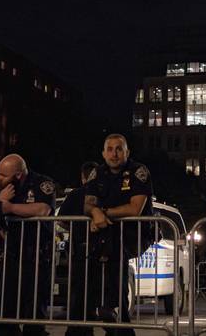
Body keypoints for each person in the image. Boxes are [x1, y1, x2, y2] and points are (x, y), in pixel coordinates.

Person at [83, 134, 154, 336]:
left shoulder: (138, 171)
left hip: (133, 234)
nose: (114, 154)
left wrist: (102, 213)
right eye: (110, 149)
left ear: (127, 152)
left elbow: (134, 209)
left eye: (119, 149)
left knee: (114, 252)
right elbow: (88, 204)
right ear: (103, 153)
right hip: (107, 234)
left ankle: (111, 309)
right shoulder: (97, 172)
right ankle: (109, 314)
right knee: (88, 258)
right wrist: (95, 213)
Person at [0, 154, 56, 336]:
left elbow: (42, 209)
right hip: (10, 253)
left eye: (3, 175)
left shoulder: (42, 183)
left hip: (36, 255)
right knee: (4, 310)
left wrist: (9, 208)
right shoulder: (2, 188)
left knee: (34, 314)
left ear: (19, 175)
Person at [60, 161, 100, 336]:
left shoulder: (76, 194)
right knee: (95, 295)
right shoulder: (105, 192)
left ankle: (77, 329)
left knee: (78, 295)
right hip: (101, 251)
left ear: (83, 177)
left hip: (80, 251)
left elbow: (61, 220)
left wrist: (75, 228)